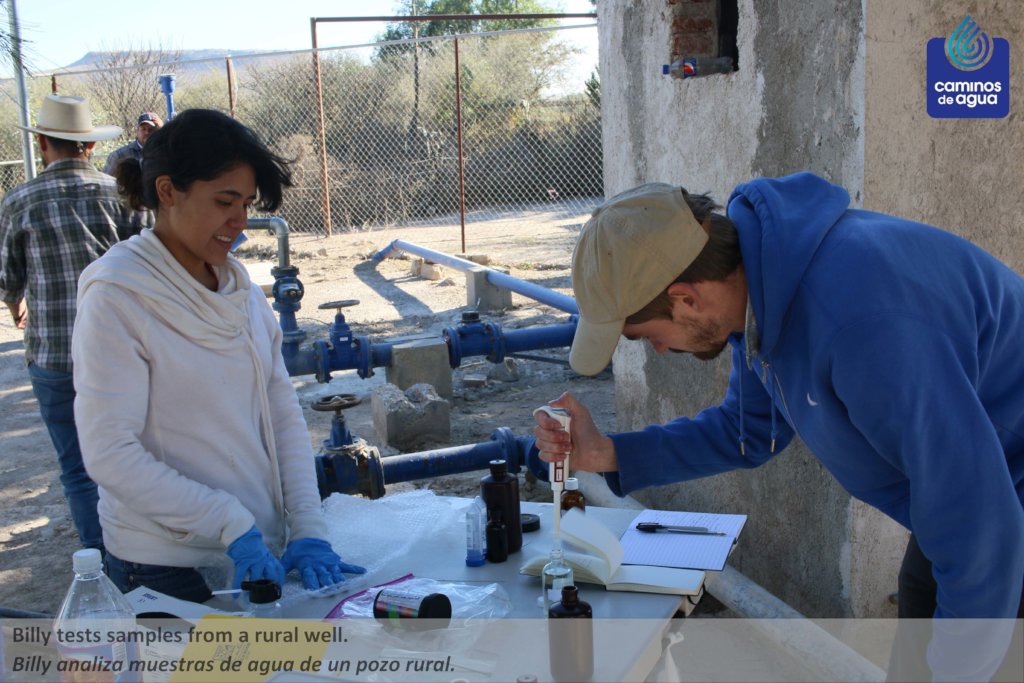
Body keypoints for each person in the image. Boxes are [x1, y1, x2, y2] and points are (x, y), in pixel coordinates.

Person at [534, 176, 1024, 681]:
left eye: (644, 336)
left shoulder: (860, 320)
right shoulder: (760, 296)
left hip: (1000, 504)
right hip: (970, 498)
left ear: (684, 299)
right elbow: (746, 431)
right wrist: (605, 453)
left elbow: (981, 527)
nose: (658, 350)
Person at [71, 108, 365, 603]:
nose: (240, 221)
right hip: (165, 565)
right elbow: (110, 454)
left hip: (254, 547)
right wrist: (228, 522)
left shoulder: (240, 290)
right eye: (224, 201)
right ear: (167, 191)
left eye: (246, 204)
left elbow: (280, 414)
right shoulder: (118, 295)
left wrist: (308, 528)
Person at [0, 94, 137, 552]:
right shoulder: (119, 195)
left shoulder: (19, 200)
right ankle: (144, 550)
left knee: (77, 468)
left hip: (54, 356)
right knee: (134, 454)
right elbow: (147, 264)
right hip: (120, 352)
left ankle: (100, 561)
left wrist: (16, 300)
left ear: (42, 143)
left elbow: (8, 277)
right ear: (90, 146)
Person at [102, 111, 162, 176]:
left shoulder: (163, 152)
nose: (147, 132)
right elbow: (106, 180)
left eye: (151, 129)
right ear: (137, 130)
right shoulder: (120, 156)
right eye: (143, 129)